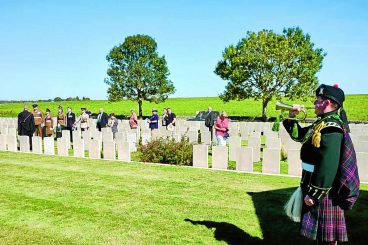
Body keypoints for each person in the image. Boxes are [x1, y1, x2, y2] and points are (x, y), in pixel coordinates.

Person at [283, 84, 359, 244]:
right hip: (312, 184)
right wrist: (291, 116)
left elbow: (327, 164)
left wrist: (315, 193)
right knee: (322, 238)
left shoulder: (332, 128)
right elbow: (300, 136)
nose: (314, 103)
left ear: (327, 102)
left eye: (317, 100)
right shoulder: (322, 123)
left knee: (328, 239)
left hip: (323, 191)